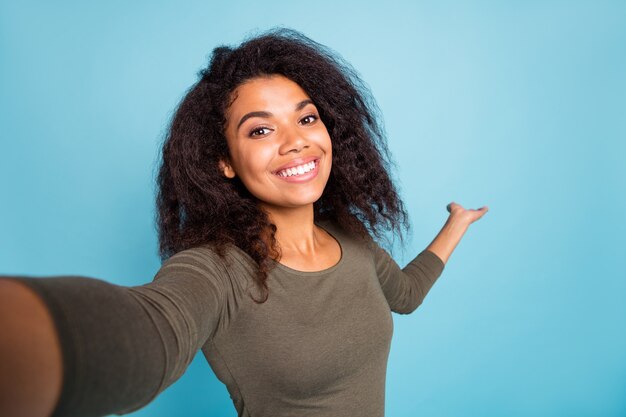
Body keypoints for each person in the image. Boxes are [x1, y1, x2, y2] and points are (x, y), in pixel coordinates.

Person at [0, 28, 488, 417]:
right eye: (260, 129)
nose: (296, 141)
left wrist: (457, 225)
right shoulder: (217, 271)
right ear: (225, 162)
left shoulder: (352, 237)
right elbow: (150, 330)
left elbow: (405, 294)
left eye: (307, 118)